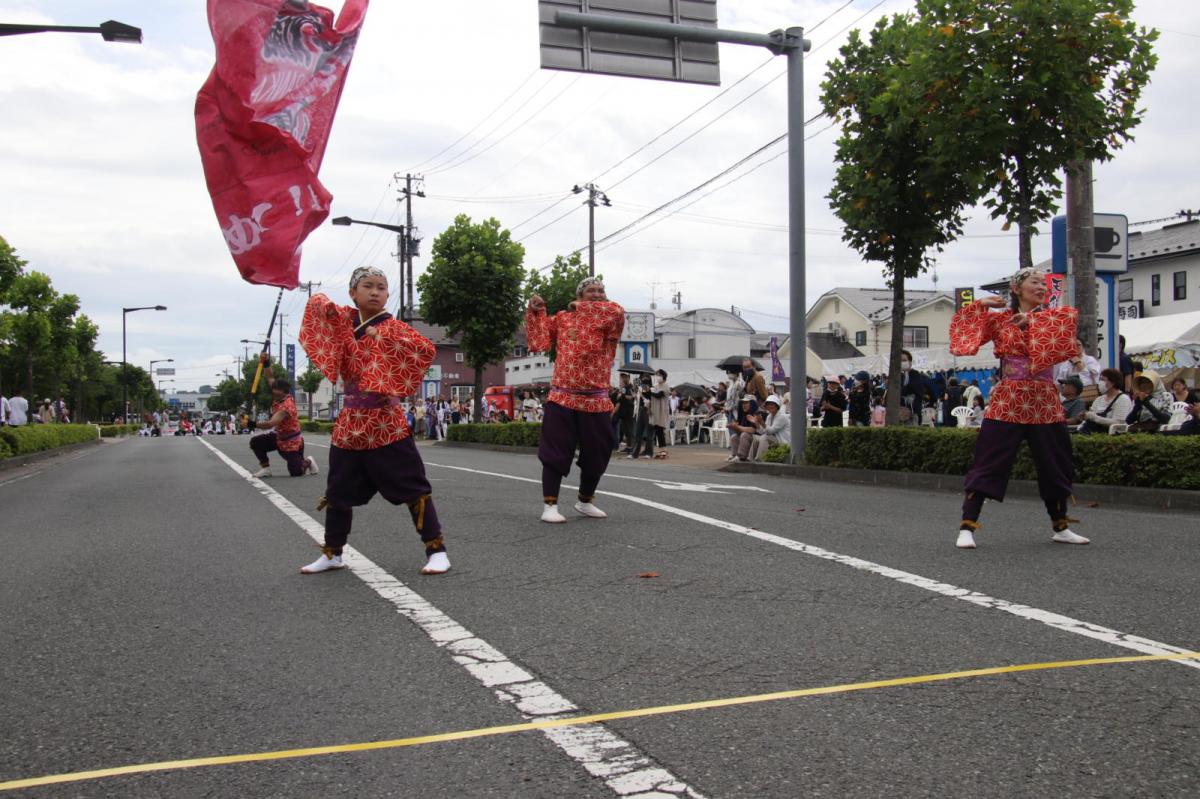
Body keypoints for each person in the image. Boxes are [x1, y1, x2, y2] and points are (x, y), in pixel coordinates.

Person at [296, 266, 449, 576]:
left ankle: (436, 550)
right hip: (350, 422)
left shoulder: (395, 327)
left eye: (381, 287)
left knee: (413, 487)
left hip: (385, 421)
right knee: (337, 490)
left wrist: (386, 344)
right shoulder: (344, 322)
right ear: (353, 293)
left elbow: (424, 350)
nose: (376, 291)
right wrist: (323, 304)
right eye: (368, 286)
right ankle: (333, 552)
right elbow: (317, 306)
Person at [948, 267, 1089, 549]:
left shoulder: (1053, 318)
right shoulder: (1001, 321)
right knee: (989, 459)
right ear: (1016, 289)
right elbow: (962, 342)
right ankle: (967, 526)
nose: (1041, 287)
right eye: (1034, 282)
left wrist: (1033, 325)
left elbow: (1068, 342)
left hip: (1045, 400)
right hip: (1009, 398)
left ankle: (1060, 526)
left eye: (1043, 283)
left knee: (1054, 461)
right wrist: (977, 307)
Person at [526, 277, 625, 523]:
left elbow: (616, 312)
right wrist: (536, 310)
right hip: (562, 395)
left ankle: (585, 500)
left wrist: (580, 306)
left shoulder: (611, 315)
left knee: (599, 452)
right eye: (591, 290)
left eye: (601, 290)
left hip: (596, 398)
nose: (597, 293)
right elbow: (539, 341)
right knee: (555, 451)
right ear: (580, 294)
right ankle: (550, 504)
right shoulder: (563, 317)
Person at [249, 368, 318, 478]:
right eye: (273, 388)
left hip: (291, 441)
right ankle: (265, 468)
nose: (273, 391)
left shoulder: (286, 406)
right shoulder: (278, 396)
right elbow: (270, 377)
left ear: (282, 391)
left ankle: (308, 461)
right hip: (279, 436)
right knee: (256, 442)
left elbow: (271, 424)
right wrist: (266, 362)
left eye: (275, 389)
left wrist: (251, 424)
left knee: (296, 472)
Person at [1078, 368, 1132, 434]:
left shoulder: (1123, 399)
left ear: (1113, 382)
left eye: (1103, 380)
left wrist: (1095, 418)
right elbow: (1091, 416)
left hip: (1111, 434)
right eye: (1100, 380)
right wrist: (1085, 417)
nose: (1100, 383)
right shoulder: (1098, 399)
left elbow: (1119, 423)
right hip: (1093, 432)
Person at [749, 394, 790, 461]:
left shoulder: (781, 417)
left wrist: (762, 422)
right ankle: (750, 459)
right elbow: (763, 431)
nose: (770, 406)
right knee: (756, 438)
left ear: (777, 406)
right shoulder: (769, 416)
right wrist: (756, 423)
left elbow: (771, 431)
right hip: (774, 439)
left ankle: (760, 459)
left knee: (764, 437)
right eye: (768, 405)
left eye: (772, 404)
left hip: (782, 442)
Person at [629, 373, 655, 459]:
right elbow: (636, 398)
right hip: (640, 410)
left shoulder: (651, 388)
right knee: (638, 432)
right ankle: (635, 453)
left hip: (648, 410)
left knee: (649, 433)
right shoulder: (640, 387)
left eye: (646, 377)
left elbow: (647, 393)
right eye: (642, 377)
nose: (644, 378)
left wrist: (640, 388)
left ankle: (649, 453)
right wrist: (635, 390)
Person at [727, 395, 760, 462]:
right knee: (734, 436)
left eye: (746, 403)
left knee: (744, 435)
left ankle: (741, 457)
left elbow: (753, 430)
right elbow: (740, 431)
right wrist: (734, 427)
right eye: (743, 403)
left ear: (752, 404)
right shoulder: (743, 414)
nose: (744, 405)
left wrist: (738, 427)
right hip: (749, 436)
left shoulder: (757, 414)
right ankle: (734, 455)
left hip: (758, 437)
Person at [648, 369, 670, 452]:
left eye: (659, 375)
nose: (657, 377)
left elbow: (658, 395)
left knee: (660, 430)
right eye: (656, 375)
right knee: (657, 429)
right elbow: (652, 395)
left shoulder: (665, 385)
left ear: (663, 376)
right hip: (655, 410)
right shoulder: (656, 386)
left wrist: (650, 392)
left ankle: (663, 449)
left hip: (662, 410)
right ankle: (661, 449)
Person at [614, 373, 635, 452]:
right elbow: (618, 398)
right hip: (622, 412)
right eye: (622, 377)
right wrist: (620, 395)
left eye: (624, 377)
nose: (623, 379)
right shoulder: (623, 387)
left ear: (628, 378)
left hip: (629, 411)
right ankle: (628, 446)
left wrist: (624, 396)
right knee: (624, 429)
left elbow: (633, 397)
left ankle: (631, 447)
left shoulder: (631, 387)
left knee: (630, 430)